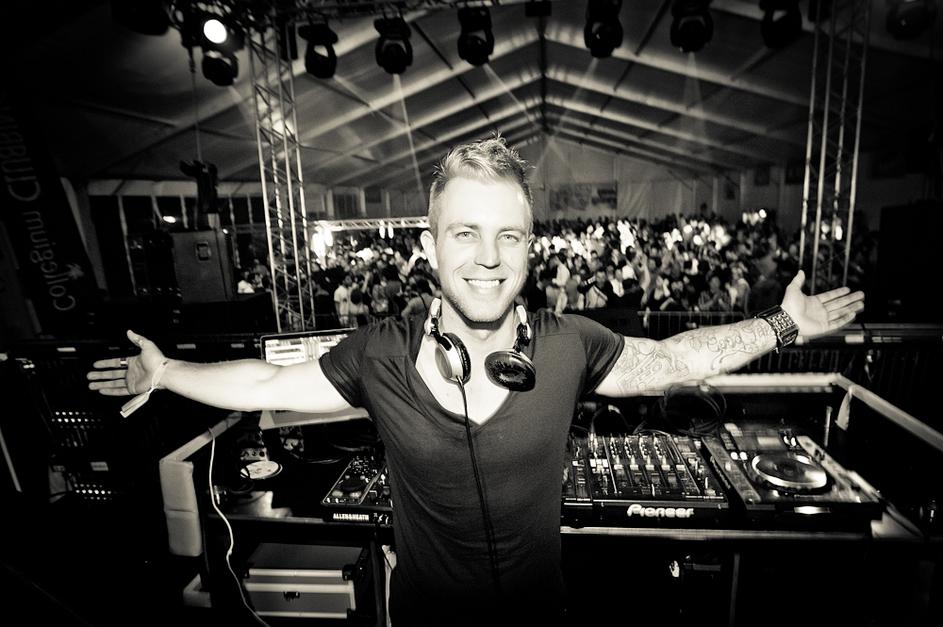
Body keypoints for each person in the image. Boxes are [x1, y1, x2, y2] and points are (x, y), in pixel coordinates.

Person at [87, 136, 864, 627]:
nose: (488, 257)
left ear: (528, 249)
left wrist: (785, 324)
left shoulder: (568, 344)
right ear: (430, 247)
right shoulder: (381, 354)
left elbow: (674, 358)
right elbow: (267, 381)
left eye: (507, 236)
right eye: (465, 233)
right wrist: (169, 370)